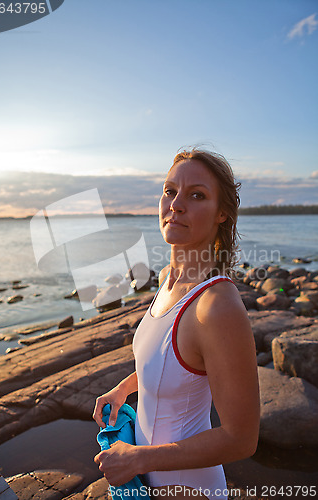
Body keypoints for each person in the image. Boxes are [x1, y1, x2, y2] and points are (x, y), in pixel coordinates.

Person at [93, 148, 260, 500]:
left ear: (223, 215)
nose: (176, 204)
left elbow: (241, 438)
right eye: (170, 190)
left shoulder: (217, 307)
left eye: (197, 195)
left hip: (191, 489)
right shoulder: (168, 278)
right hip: (146, 486)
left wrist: (136, 459)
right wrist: (125, 388)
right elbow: (173, 360)